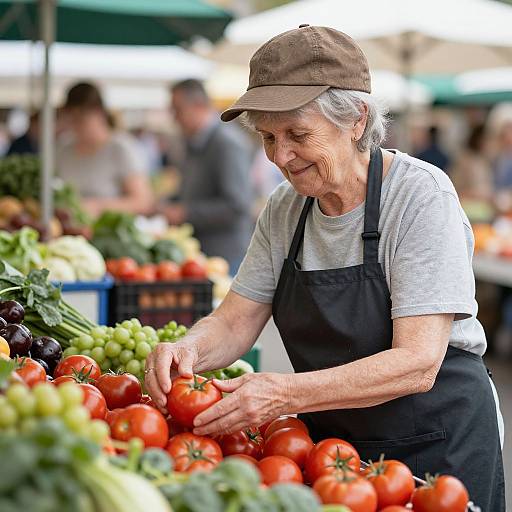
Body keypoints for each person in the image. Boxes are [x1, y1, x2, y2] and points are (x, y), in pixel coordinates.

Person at [145, 26, 505, 509]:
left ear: (356, 120)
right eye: (268, 137)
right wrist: (186, 349)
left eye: (297, 134)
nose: (280, 157)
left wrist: (283, 393)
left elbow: (417, 363)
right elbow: (235, 320)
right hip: (338, 452)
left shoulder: (420, 196)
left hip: (439, 443)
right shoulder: (284, 208)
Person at [162, 79, 253, 273]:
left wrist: (184, 213)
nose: (174, 118)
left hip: (226, 257)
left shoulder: (226, 143)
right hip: (204, 256)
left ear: (198, 106)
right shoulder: (193, 142)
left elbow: (237, 205)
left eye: (177, 110)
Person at [57, 82, 153, 217]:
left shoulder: (121, 148)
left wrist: (99, 206)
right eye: (72, 119)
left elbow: (143, 202)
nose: (76, 126)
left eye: (82, 119)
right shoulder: (64, 149)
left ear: (100, 113)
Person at [449, 124, 493, 202]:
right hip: (468, 205)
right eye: (486, 139)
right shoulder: (464, 160)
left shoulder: (486, 160)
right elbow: (455, 187)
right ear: (478, 140)